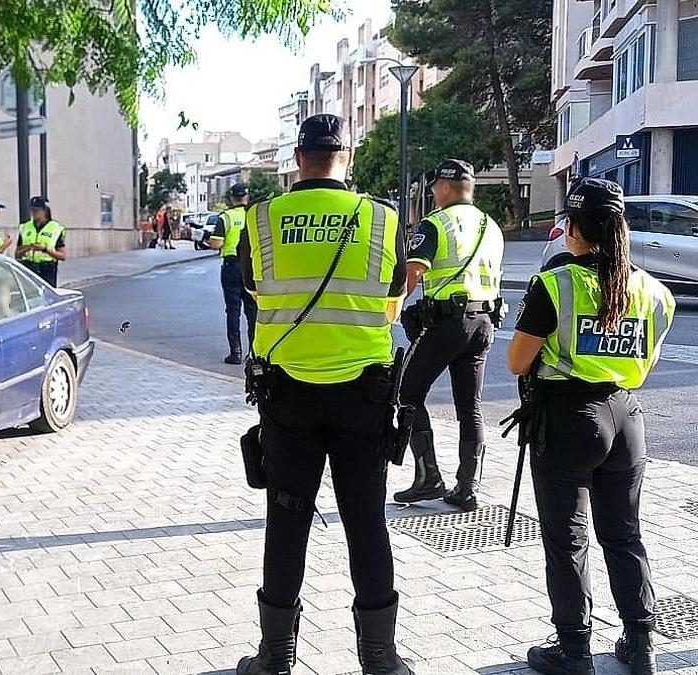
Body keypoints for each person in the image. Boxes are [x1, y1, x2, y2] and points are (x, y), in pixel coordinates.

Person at [235, 114, 413, 675]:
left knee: (286, 520)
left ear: (297, 156)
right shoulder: (383, 220)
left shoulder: (261, 219)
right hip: (364, 396)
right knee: (366, 521)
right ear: (349, 155)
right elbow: (393, 295)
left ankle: (275, 657)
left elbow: (251, 287)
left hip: (287, 397)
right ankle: (380, 660)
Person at [508, 178, 674, 675]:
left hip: (569, 420)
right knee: (624, 535)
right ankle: (641, 643)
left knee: (567, 541)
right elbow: (649, 355)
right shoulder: (653, 289)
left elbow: (517, 361)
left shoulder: (555, 283)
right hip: (627, 417)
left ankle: (575, 650)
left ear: (574, 228)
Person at [394, 159, 505, 511]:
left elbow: (411, 276)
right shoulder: (492, 226)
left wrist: (388, 312)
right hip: (484, 324)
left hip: (446, 324)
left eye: (434, 188)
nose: (432, 194)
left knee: (406, 392)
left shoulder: (436, 223)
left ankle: (428, 478)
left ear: (444, 187)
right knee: (469, 405)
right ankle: (467, 488)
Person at [210, 183, 258, 365]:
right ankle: (254, 353)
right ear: (247, 196)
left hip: (232, 266)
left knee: (233, 309)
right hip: (252, 267)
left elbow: (216, 244)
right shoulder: (254, 215)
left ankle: (235, 353)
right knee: (253, 310)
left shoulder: (226, 217)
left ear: (232, 198)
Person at [16, 196, 67, 286]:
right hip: (28, 269)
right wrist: (27, 248)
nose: (33, 213)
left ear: (44, 211)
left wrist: (44, 249)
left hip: (47, 271)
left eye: (36, 210)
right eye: (32, 210)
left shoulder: (55, 228)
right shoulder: (25, 227)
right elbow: (17, 255)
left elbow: (62, 256)